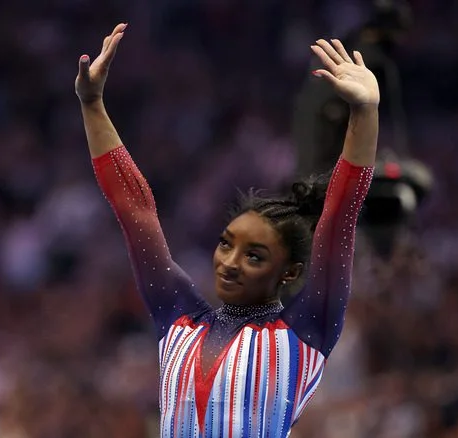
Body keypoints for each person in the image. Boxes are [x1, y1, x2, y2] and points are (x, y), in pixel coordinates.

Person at [75, 23, 378, 438]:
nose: (230, 263)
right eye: (226, 245)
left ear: (289, 272)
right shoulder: (178, 319)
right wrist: (92, 104)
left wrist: (365, 113)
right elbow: (134, 209)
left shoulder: (305, 331)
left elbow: (340, 215)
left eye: (254, 256)